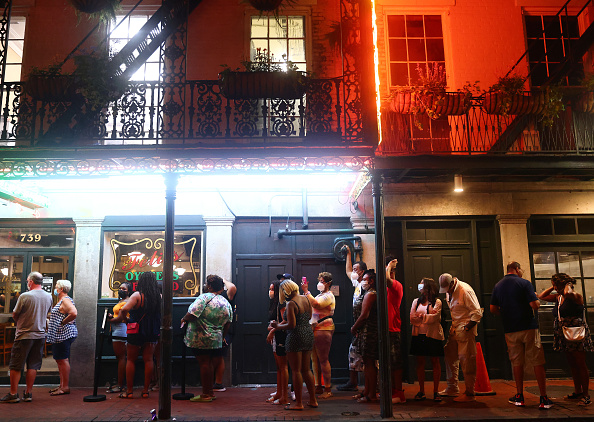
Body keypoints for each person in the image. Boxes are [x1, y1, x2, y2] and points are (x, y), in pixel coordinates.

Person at [491, 262, 552, 409]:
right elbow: (535, 305)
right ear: (517, 269)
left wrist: (506, 314)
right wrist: (536, 299)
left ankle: (519, 396)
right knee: (537, 360)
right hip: (528, 327)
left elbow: (493, 309)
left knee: (517, 362)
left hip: (510, 329)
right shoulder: (524, 283)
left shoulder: (498, 286)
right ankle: (543, 398)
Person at [538, 273, 593, 407]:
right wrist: (552, 287)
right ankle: (578, 391)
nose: (555, 287)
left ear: (564, 285)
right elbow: (541, 296)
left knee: (580, 363)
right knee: (572, 363)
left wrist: (568, 284)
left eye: (556, 284)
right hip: (563, 332)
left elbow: (569, 293)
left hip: (576, 332)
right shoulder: (559, 297)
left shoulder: (575, 296)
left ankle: (586, 394)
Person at [1, 272, 52, 403]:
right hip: (40, 335)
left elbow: (15, 314)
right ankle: (28, 393)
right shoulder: (48, 296)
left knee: (16, 365)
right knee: (33, 365)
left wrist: (20, 322)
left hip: (24, 334)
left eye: (27, 281)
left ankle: (13, 394)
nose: (27, 283)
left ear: (30, 281)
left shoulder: (25, 296)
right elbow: (47, 314)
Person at [182, 274, 233, 403]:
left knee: (204, 364)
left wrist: (183, 319)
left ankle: (205, 394)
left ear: (209, 286)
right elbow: (228, 322)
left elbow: (193, 314)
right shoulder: (225, 301)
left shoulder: (203, 298)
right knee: (210, 364)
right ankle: (210, 392)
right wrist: (221, 336)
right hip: (216, 339)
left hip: (200, 338)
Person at [270, 279, 318, 410]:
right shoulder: (306, 298)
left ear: (285, 291)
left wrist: (277, 326)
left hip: (295, 336)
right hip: (308, 334)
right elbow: (308, 317)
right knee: (307, 369)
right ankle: (313, 400)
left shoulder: (291, 303)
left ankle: (299, 403)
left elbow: (291, 325)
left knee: (296, 371)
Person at [438, 273, 483, 401]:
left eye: (448, 289)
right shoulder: (449, 291)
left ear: (452, 283)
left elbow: (477, 313)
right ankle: (452, 387)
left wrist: (467, 328)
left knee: (466, 359)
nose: (447, 292)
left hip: (465, 327)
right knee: (449, 355)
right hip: (454, 327)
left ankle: (470, 390)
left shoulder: (465, 290)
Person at [118, 271, 161, 399]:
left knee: (131, 359)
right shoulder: (159, 296)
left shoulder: (137, 295)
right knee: (148, 359)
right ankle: (146, 391)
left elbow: (124, 309)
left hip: (136, 330)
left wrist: (126, 321)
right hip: (152, 331)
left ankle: (129, 391)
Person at [337, 244, 367, 392]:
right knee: (353, 352)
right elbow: (348, 271)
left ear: (362, 272)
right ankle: (353, 382)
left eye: (356, 270)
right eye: (354, 269)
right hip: (357, 323)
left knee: (365, 355)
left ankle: (368, 385)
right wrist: (348, 254)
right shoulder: (356, 283)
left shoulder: (365, 285)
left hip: (364, 325)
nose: (354, 271)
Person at [410, 277, 444, 402]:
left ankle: (436, 391)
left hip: (433, 335)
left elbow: (435, 318)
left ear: (428, 287)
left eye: (422, 284)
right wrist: (424, 317)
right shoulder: (416, 301)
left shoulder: (437, 302)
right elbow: (412, 318)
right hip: (419, 335)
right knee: (420, 362)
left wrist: (422, 316)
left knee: (435, 361)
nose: (420, 286)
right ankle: (421, 390)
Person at [302, 272, 335, 399]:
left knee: (323, 359)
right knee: (314, 359)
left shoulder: (329, 296)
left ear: (328, 283)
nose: (320, 283)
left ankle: (327, 388)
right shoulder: (320, 295)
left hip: (324, 328)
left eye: (323, 281)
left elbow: (316, 304)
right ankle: (318, 386)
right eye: (319, 281)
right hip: (315, 328)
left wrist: (306, 291)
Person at [46, 280, 78, 396]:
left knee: (63, 360)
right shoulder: (62, 300)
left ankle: (65, 387)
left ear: (60, 289)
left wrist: (63, 322)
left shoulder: (65, 300)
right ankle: (61, 385)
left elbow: (73, 313)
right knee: (60, 360)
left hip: (63, 335)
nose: (55, 289)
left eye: (56, 287)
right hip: (59, 335)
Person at [351, 269, 378, 403]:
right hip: (365, 331)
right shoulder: (367, 293)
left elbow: (364, 315)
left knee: (369, 362)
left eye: (365, 279)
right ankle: (367, 391)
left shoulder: (371, 294)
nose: (362, 281)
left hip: (369, 331)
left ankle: (371, 394)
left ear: (371, 281)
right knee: (367, 363)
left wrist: (354, 327)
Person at [386, 257, 406, 404]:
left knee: (395, 363)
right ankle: (392, 391)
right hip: (385, 330)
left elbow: (387, 279)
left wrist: (389, 266)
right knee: (388, 363)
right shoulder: (385, 288)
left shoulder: (397, 285)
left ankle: (399, 393)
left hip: (393, 329)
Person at [266, 279, 289, 405]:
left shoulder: (282, 303)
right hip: (276, 335)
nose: (270, 292)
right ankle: (279, 392)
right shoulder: (274, 303)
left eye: (272, 289)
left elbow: (284, 320)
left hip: (281, 336)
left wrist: (272, 330)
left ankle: (283, 395)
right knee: (278, 367)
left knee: (283, 366)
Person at [107, 282, 132, 394]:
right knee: (120, 357)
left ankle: (121, 385)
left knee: (121, 357)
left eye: (124, 289)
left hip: (121, 328)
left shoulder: (127, 302)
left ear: (129, 291)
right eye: (120, 288)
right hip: (117, 328)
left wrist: (111, 320)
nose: (121, 290)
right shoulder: (121, 301)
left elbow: (121, 318)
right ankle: (120, 383)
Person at [213, 278, 237, 392]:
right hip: (214, 330)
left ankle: (218, 383)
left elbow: (232, 288)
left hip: (225, 330)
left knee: (219, 356)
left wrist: (224, 280)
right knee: (215, 356)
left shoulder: (226, 296)